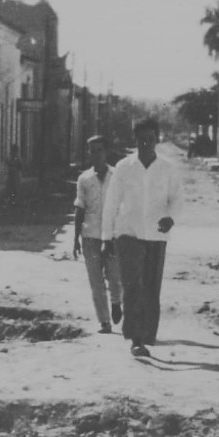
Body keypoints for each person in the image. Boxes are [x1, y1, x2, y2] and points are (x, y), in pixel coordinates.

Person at [100, 118, 183, 358]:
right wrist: (107, 237)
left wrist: (171, 217)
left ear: (157, 139)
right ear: (134, 140)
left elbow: (177, 199)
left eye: (150, 138)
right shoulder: (124, 168)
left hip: (157, 235)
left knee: (151, 289)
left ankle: (146, 336)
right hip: (129, 233)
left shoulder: (167, 169)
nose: (145, 143)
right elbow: (112, 203)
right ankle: (136, 339)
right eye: (141, 139)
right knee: (132, 287)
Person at [72, 135, 124, 334]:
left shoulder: (117, 176)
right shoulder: (84, 179)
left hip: (113, 235)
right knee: (95, 281)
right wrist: (76, 238)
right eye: (91, 151)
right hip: (90, 235)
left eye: (99, 150)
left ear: (106, 151)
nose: (95, 154)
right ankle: (104, 321)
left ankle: (116, 302)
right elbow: (80, 208)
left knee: (114, 276)